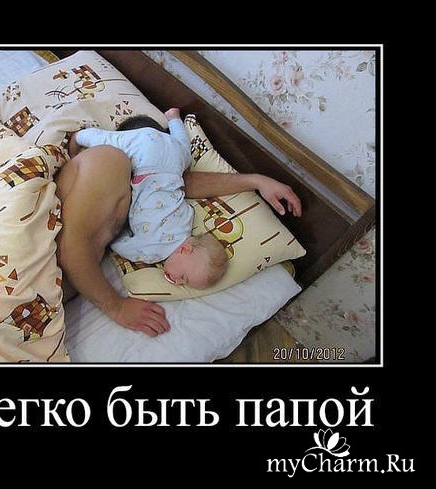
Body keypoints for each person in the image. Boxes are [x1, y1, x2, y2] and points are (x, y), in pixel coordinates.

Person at [54, 118, 302, 338]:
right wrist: (117, 307)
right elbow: (70, 250)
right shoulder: (110, 159)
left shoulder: (146, 189)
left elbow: (178, 184)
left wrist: (256, 181)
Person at [68, 108, 228, 289]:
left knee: (185, 152)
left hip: (172, 157)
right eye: (184, 277)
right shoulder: (152, 252)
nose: (178, 282)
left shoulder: (187, 223)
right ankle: (80, 137)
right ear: (185, 250)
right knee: (109, 142)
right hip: (146, 160)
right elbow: (117, 242)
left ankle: (174, 119)